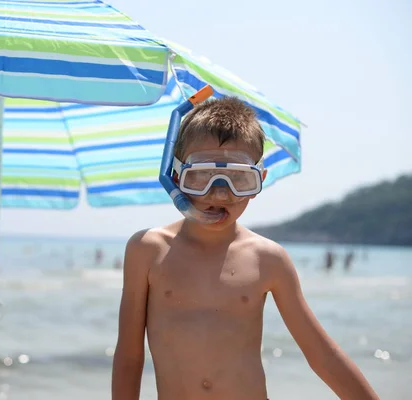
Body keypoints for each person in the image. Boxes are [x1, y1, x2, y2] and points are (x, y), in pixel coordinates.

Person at [111, 97, 378, 400]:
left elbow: (322, 356)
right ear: (176, 178)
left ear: (259, 180)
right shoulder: (147, 250)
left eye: (239, 178)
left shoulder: (268, 259)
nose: (221, 193)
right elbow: (129, 357)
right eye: (201, 175)